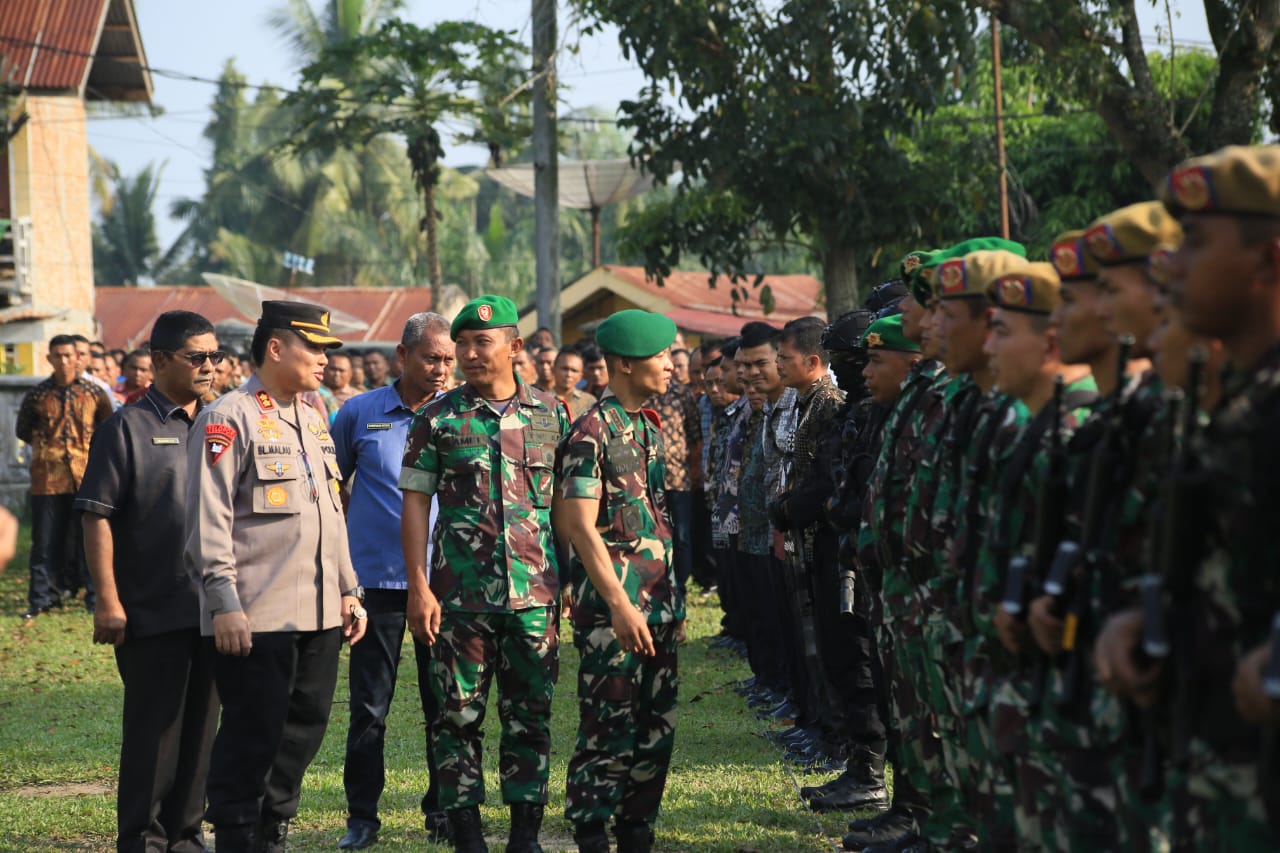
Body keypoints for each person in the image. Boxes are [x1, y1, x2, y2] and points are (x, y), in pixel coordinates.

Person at [1095, 144, 1280, 849]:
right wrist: (1136, 624)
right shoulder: (1235, 405)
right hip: (1216, 781)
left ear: (1269, 262)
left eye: (1196, 244)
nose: (1173, 264)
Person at [184, 301, 366, 852]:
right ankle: (238, 832)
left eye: (329, 351)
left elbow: (330, 512)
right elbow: (206, 520)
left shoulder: (313, 417)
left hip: (318, 609)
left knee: (305, 725)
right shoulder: (226, 417)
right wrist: (223, 602)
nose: (326, 362)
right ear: (276, 348)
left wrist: (348, 588)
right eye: (314, 348)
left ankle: (273, 825)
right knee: (252, 730)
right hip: (256, 611)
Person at [399, 294, 570, 853]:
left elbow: (568, 508)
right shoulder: (437, 418)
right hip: (460, 599)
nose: (469, 354)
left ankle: (525, 837)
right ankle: (467, 838)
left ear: (515, 348)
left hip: (536, 595)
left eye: (482, 343)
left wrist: (569, 583)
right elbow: (415, 505)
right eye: (462, 345)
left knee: (531, 717)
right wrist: (419, 587)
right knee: (456, 718)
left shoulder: (552, 415)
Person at [76, 310, 221, 853]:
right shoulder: (126, 427)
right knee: (154, 730)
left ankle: (185, 834)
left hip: (213, 608)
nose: (209, 366)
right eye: (197, 357)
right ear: (159, 362)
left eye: (215, 356)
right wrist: (107, 600)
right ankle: (142, 838)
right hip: (149, 608)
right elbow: (97, 515)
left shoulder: (222, 422)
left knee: (202, 729)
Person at [554, 309, 686, 853]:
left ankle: (637, 828)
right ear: (627, 365)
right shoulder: (591, 432)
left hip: (658, 603)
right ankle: (590, 829)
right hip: (616, 610)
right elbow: (580, 529)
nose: (670, 365)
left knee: (657, 727)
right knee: (609, 725)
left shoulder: (645, 425)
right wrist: (620, 607)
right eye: (660, 356)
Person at [333, 312, 457, 850]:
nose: (442, 369)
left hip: (444, 583)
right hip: (377, 585)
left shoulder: (459, 414)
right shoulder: (359, 413)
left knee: (445, 703)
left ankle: (444, 810)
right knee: (370, 706)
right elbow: (329, 485)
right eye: (432, 357)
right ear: (403, 357)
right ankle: (362, 817)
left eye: (449, 360)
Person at [15, 334, 113, 618]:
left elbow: (107, 427)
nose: (64, 361)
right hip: (47, 477)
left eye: (69, 355)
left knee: (90, 539)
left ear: (78, 357)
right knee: (44, 542)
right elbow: (22, 429)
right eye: (57, 355)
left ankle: (94, 597)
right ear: (49, 359)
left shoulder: (94, 394)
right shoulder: (37, 395)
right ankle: (41, 598)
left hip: (87, 475)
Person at [645, 354, 702, 597]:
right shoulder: (642, 391)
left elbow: (695, 435)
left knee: (681, 535)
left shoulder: (683, 394)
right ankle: (656, 585)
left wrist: (695, 471)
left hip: (679, 477)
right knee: (653, 534)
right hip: (646, 479)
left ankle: (680, 584)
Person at [553, 350, 598, 421]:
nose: (568, 374)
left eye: (574, 370)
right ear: (554, 369)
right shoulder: (541, 399)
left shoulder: (589, 401)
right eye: (564, 369)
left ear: (581, 376)